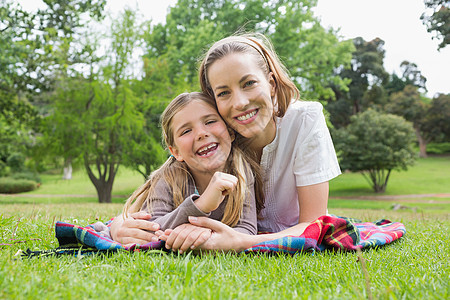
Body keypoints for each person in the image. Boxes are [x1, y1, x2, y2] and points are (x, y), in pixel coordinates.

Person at [112, 32, 341, 252]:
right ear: (214, 102)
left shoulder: (305, 120)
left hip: (273, 236)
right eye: (223, 93)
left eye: (249, 83)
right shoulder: (218, 137)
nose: (240, 103)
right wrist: (118, 227)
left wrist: (241, 242)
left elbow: (315, 226)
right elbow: (151, 199)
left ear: (271, 84)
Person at [110, 92, 263, 252]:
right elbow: (149, 231)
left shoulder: (242, 172)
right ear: (176, 152)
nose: (201, 133)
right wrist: (201, 205)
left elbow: (246, 230)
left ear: (230, 132)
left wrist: (203, 234)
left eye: (210, 121)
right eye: (186, 131)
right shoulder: (169, 177)